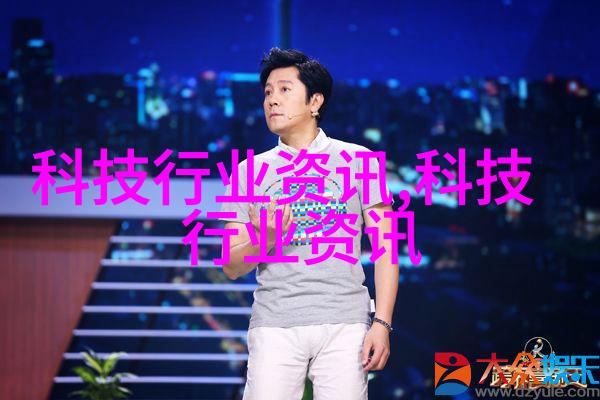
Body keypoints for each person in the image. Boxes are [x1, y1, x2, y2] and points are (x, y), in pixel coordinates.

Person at [218, 47, 398, 400]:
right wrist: (267, 237)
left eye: (285, 89)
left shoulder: (359, 161)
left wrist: (382, 324)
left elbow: (386, 251)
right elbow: (231, 266)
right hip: (275, 324)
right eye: (268, 92)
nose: (272, 100)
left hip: (345, 323)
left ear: (315, 101)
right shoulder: (247, 173)